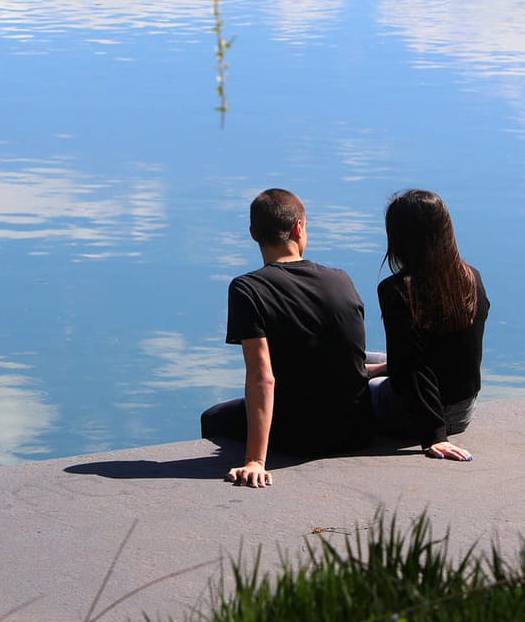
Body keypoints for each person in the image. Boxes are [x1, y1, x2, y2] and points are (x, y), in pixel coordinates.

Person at [201, 189, 375, 487]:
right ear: (298, 228)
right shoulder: (340, 278)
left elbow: (261, 377)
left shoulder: (248, 288)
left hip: (298, 438)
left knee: (214, 418)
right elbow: (346, 360)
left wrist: (255, 460)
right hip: (356, 431)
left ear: (254, 233)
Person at [368, 189, 489, 461]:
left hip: (417, 417)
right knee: (361, 358)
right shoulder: (472, 278)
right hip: (464, 410)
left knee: (341, 377)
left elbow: (413, 367)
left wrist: (434, 436)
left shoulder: (397, 290)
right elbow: (451, 355)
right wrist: (379, 368)